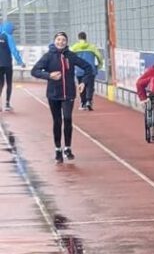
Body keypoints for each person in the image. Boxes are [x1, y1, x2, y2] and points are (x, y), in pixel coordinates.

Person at [30, 31, 94, 163]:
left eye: (63, 40)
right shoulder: (48, 56)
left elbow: (88, 67)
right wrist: (49, 75)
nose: (61, 42)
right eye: (58, 40)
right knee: (57, 121)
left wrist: (83, 82)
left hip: (68, 94)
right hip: (53, 94)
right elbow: (34, 71)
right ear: (54, 41)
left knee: (68, 119)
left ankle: (68, 148)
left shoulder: (71, 56)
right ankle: (58, 149)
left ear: (66, 42)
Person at [70, 31, 104, 110]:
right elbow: (99, 56)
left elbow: (69, 57)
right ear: (86, 37)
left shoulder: (74, 47)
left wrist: (72, 67)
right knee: (90, 86)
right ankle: (89, 101)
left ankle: (83, 103)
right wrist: (99, 65)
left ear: (78, 38)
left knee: (81, 86)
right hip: (90, 69)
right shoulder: (92, 47)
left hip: (79, 70)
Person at [1, 19, 24, 111]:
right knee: (9, 84)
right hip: (7, 64)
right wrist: (20, 62)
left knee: (0, 84)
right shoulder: (9, 36)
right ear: (9, 29)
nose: (13, 31)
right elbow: (14, 50)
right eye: (13, 30)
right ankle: (7, 104)